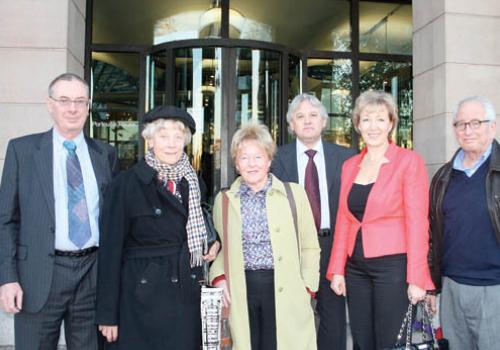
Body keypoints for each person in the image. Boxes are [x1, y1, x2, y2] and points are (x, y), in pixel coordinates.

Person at [0, 73, 118, 350]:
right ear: (49, 104)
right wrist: (7, 278)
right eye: (64, 100)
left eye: (80, 101)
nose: (73, 108)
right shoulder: (22, 151)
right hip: (38, 276)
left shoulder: (106, 154)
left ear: (88, 107)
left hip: (92, 274)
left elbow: (114, 219)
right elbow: (6, 220)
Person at [95, 105, 220, 350]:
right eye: (163, 136)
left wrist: (215, 242)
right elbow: (110, 251)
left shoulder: (193, 181)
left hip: (187, 292)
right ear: (149, 140)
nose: (172, 144)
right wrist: (107, 314)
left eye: (178, 137)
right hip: (142, 296)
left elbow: (203, 223)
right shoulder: (126, 184)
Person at [327, 90, 435, 350]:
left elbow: (418, 223)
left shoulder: (409, 162)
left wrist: (417, 277)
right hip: (356, 269)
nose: (372, 126)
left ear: (390, 123)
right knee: (362, 341)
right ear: (357, 125)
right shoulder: (350, 165)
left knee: (390, 342)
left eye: (379, 119)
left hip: (393, 268)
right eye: (366, 119)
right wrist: (338, 269)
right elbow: (344, 220)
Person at [210, 122, 320, 350]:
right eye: (244, 158)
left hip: (287, 288)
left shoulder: (294, 194)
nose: (251, 164)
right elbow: (223, 248)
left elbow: (310, 246)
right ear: (236, 164)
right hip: (243, 290)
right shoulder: (224, 201)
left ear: (269, 160)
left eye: (258, 157)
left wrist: (308, 287)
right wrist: (219, 277)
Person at [272, 93, 356, 350]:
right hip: (293, 249)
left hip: (333, 246)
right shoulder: (276, 159)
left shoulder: (347, 158)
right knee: (294, 317)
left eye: (313, 115)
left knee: (333, 318)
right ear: (291, 125)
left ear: (323, 121)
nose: (307, 121)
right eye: (300, 116)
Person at [428, 96, 500, 350]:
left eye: (476, 122)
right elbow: (432, 235)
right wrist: (432, 287)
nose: (467, 130)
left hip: (494, 289)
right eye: (461, 124)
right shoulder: (443, 177)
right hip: (452, 288)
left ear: (493, 126)